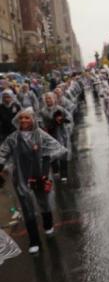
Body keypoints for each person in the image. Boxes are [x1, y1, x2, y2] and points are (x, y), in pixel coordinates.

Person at [0, 108, 67, 254]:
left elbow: (59, 149)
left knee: (44, 202)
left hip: (40, 175)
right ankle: (34, 240)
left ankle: (48, 225)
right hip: (21, 177)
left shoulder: (40, 135)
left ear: (33, 120)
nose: (24, 121)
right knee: (26, 207)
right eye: (21, 118)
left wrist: (46, 159)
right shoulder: (13, 138)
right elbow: (2, 152)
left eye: (27, 118)